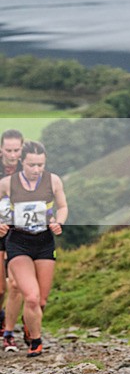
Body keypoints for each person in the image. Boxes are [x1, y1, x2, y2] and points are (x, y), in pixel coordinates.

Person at [0, 141, 68, 357]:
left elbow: (63, 206)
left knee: (41, 301)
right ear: (22, 162)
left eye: (40, 165)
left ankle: (30, 325)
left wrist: (60, 221)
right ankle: (36, 342)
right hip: (18, 242)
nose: (36, 170)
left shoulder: (53, 180)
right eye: (31, 165)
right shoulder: (7, 183)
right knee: (30, 296)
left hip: (45, 243)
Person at [0, 129, 25, 351]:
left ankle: (9, 333)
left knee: (15, 285)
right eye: (8, 150)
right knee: (0, 288)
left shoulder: (29, 170)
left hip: (18, 233)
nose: (12, 154)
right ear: (1, 150)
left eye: (16, 150)